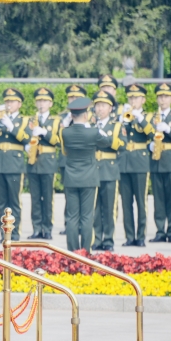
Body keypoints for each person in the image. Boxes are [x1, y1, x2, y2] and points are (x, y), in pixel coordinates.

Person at [60, 97, 110, 254]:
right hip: (89, 178)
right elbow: (107, 142)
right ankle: (85, 251)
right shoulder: (93, 132)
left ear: (72, 115)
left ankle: (72, 251)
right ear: (86, 115)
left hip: (71, 178)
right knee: (87, 217)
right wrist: (99, 130)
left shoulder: (65, 132)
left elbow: (64, 150)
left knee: (72, 217)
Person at [149, 83, 171, 243]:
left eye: (166, 96)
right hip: (156, 160)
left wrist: (169, 130)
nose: (162, 99)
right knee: (158, 199)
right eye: (160, 96)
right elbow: (145, 136)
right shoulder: (151, 117)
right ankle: (160, 230)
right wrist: (149, 146)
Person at [0, 88, 28, 242]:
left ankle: (15, 234)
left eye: (12, 101)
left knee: (14, 201)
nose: (8, 104)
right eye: (7, 101)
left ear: (19, 104)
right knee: (1, 202)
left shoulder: (24, 121)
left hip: (14, 165)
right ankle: (4, 234)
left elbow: (27, 138)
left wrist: (12, 127)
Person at [91, 91, 126, 252]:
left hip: (109, 170)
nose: (100, 109)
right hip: (93, 169)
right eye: (98, 105)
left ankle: (109, 239)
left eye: (103, 105)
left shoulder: (117, 126)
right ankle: (96, 238)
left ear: (111, 108)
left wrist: (107, 139)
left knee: (109, 207)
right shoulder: (91, 126)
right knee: (95, 208)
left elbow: (123, 145)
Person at [119, 84, 153, 247]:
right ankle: (129, 236)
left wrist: (140, 118)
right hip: (124, 163)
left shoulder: (148, 117)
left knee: (141, 202)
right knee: (126, 203)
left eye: (136, 98)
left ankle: (140, 236)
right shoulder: (123, 115)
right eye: (131, 97)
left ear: (143, 100)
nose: (133, 101)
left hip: (140, 163)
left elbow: (152, 133)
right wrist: (121, 121)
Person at [27, 87, 60, 240]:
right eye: (39, 101)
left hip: (47, 162)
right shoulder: (30, 121)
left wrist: (45, 132)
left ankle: (47, 229)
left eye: (45, 101)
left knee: (47, 198)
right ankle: (36, 228)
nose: (41, 104)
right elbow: (25, 137)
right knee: (35, 198)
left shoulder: (55, 121)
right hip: (33, 162)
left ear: (50, 104)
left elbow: (58, 141)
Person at [58, 84, 90, 235]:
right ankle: (69, 224)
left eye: (77, 97)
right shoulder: (62, 118)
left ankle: (82, 226)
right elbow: (55, 139)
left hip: (84, 163)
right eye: (71, 97)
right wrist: (63, 124)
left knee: (85, 198)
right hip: (67, 161)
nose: (73, 99)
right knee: (69, 196)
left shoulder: (88, 118)